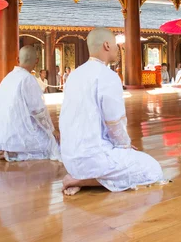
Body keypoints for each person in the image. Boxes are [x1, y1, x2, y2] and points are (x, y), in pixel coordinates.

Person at [60, 27, 164, 195]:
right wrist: (125, 146)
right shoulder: (108, 76)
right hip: (93, 158)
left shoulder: (75, 74)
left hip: (70, 157)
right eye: (116, 45)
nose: (118, 49)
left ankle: (81, 175)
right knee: (153, 169)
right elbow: (114, 122)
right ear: (107, 45)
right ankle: (82, 180)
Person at [0, 46, 61, 162]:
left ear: (17, 59)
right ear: (37, 61)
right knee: (53, 144)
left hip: (1, 137)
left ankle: (8, 147)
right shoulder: (28, 79)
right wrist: (52, 130)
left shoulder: (7, 78)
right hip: (18, 134)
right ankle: (15, 152)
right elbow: (38, 112)